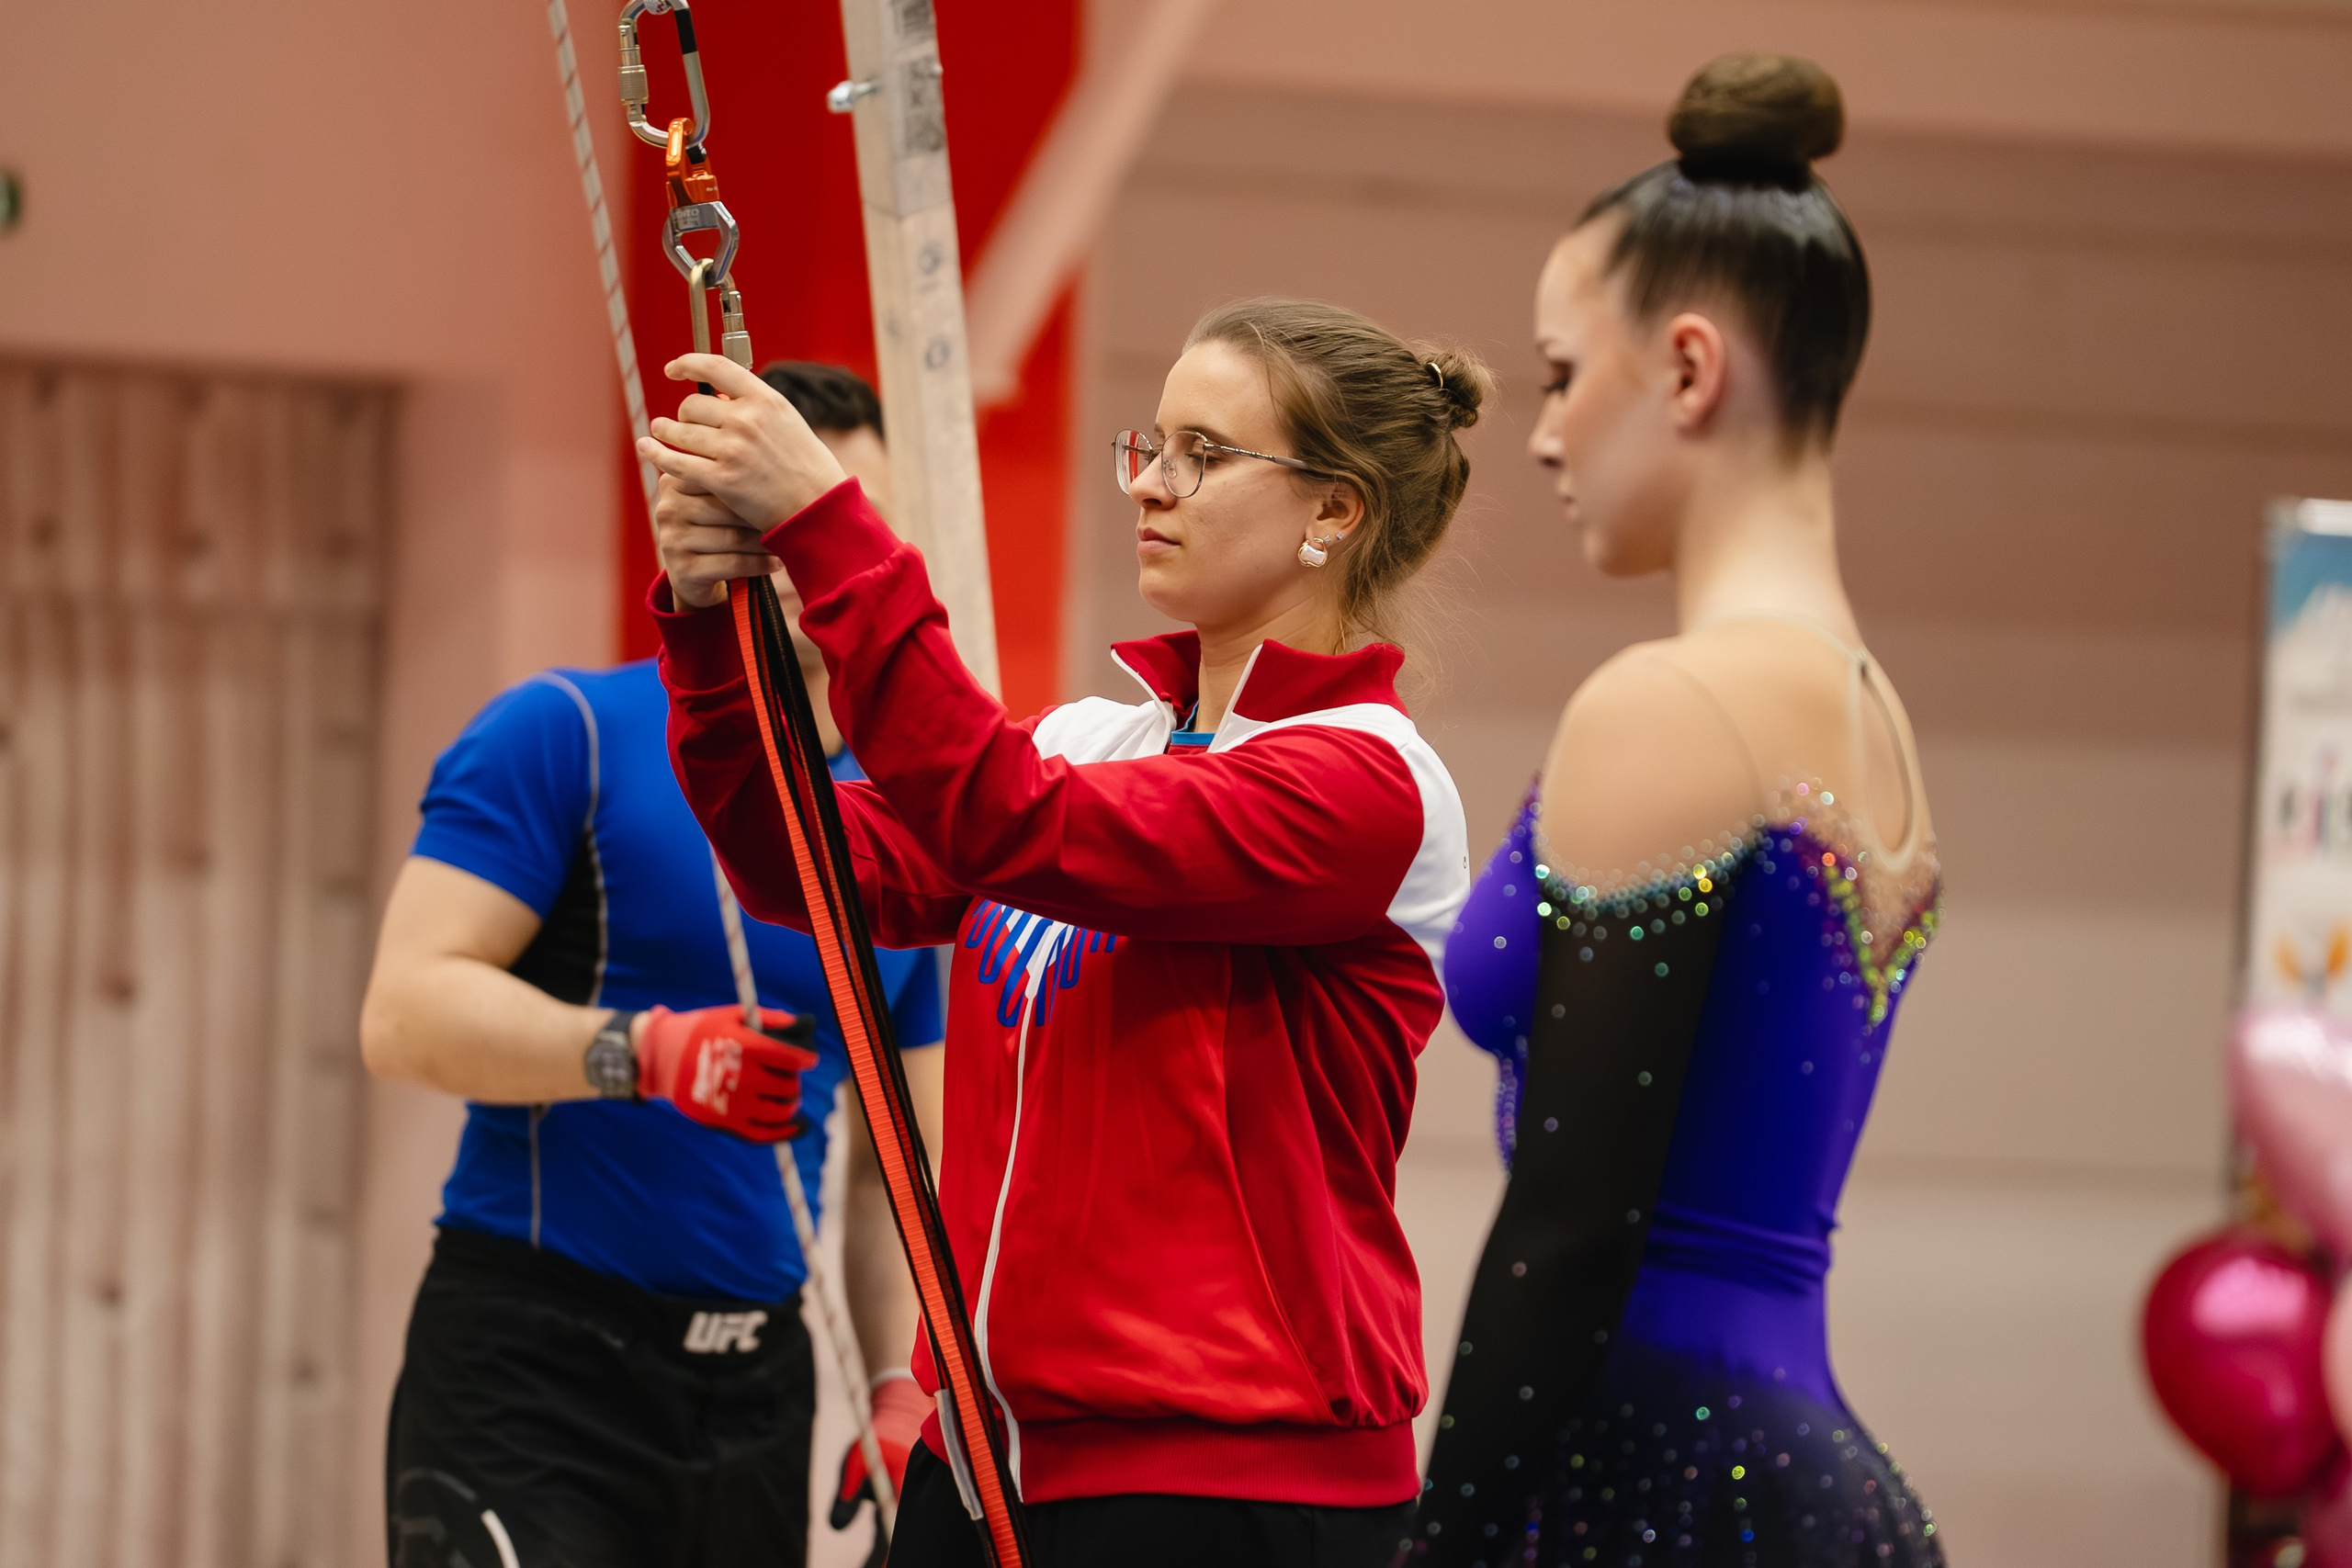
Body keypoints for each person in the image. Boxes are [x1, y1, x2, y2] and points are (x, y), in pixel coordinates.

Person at [636, 299, 1482, 1568]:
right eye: (1150, 444)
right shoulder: (1092, 738)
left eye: (1204, 455)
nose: (1153, 484)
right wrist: (707, 621)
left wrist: (829, 526)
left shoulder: (1366, 783)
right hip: (981, 1462)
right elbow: (800, 869)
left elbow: (1009, 820)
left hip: (1227, 1487)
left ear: (1334, 512)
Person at [1413, 55, 1944, 1566]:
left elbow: (1575, 1227)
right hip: (1804, 1477)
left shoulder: (1673, 705)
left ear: (1692, 370)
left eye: (1566, 376)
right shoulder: (1872, 715)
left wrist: (1445, 1542)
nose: (1541, 434)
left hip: (1652, 1475)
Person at [361, 362, 944, 1568]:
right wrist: (645, 1052)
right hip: (535, 1360)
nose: (802, 553)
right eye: (765, 521)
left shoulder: (913, 821)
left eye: (829, 511)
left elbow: (905, 1170)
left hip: (753, 1390)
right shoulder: (564, 732)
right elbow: (406, 1012)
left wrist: (902, 1383)